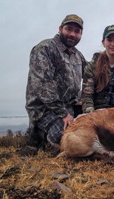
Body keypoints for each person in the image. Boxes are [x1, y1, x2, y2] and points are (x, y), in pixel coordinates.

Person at [25, 14, 87, 150]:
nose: (72, 34)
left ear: (81, 34)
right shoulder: (45, 48)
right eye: (69, 29)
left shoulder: (78, 55)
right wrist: (64, 114)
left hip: (71, 107)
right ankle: (40, 137)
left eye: (77, 31)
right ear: (60, 29)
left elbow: (91, 74)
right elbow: (43, 86)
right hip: (45, 109)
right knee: (65, 136)